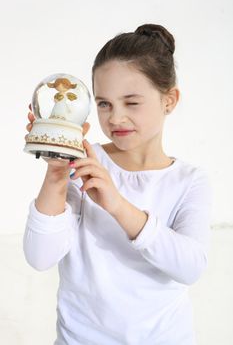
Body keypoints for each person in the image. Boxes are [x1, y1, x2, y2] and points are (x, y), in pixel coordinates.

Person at [24, 24, 212, 345]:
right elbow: (40, 257)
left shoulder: (190, 181)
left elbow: (190, 267)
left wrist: (116, 204)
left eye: (131, 102)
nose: (115, 118)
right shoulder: (85, 162)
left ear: (170, 100)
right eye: (104, 103)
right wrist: (56, 171)